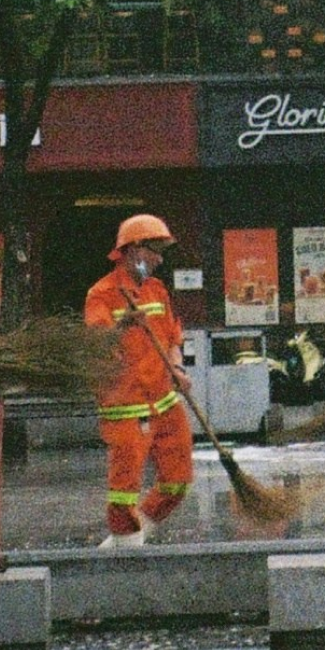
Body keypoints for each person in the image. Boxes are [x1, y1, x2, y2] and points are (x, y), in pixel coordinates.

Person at [84, 214, 195, 547]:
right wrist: (123, 326)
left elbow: (173, 338)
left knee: (177, 481)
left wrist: (178, 369)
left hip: (163, 399)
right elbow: (96, 342)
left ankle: (134, 534)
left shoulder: (156, 290)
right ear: (132, 250)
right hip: (126, 404)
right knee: (124, 488)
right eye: (155, 251)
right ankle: (126, 547)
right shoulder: (101, 295)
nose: (160, 260)